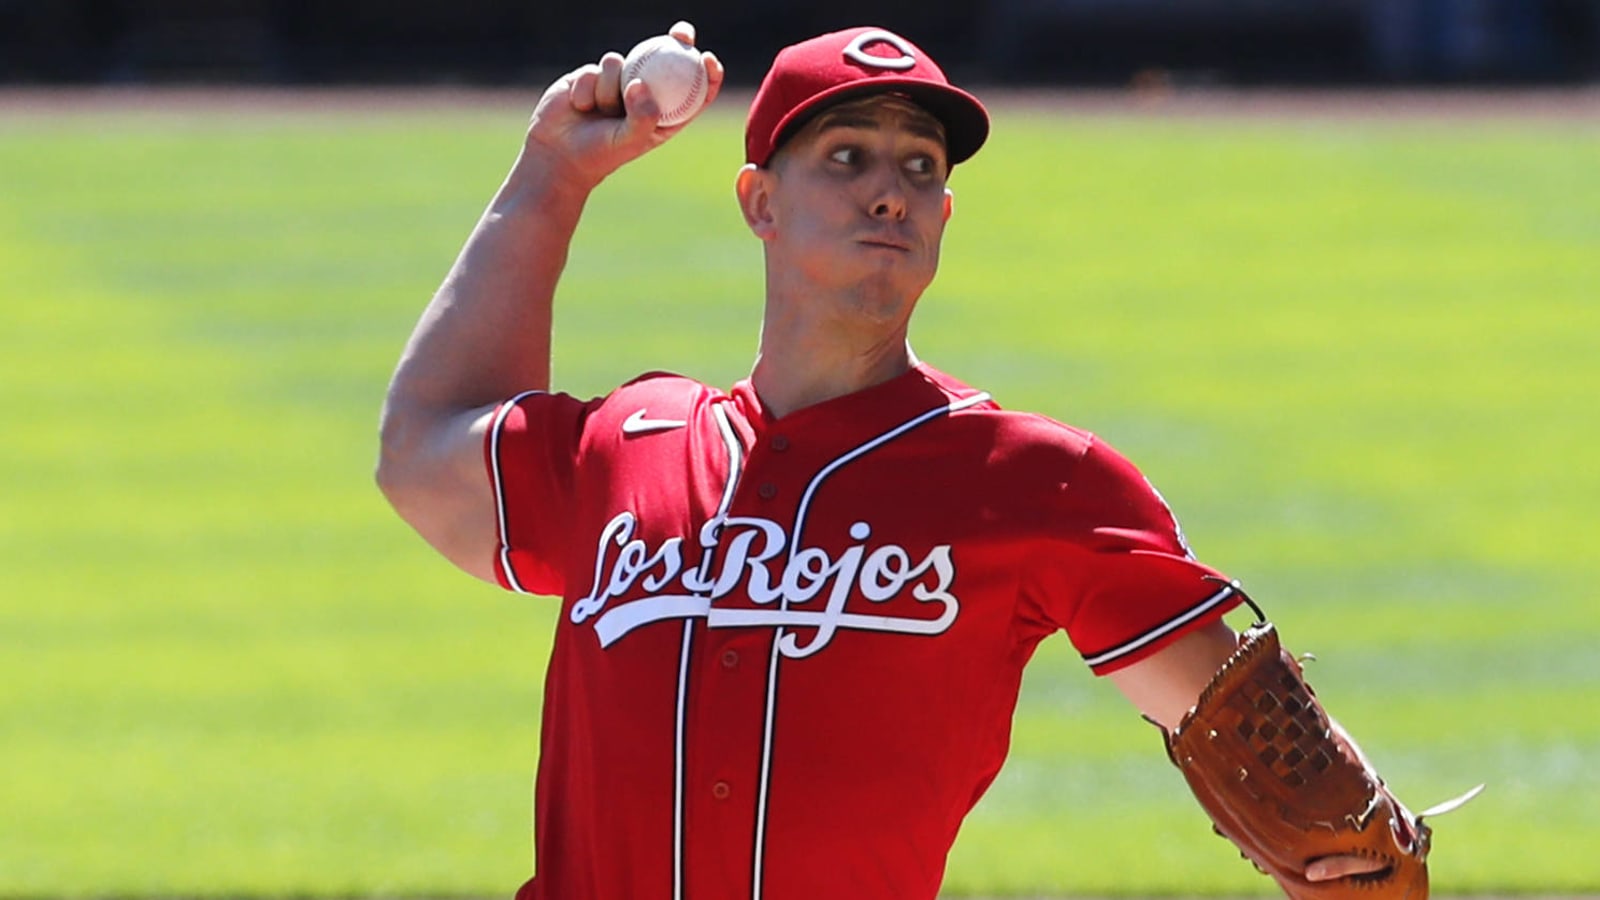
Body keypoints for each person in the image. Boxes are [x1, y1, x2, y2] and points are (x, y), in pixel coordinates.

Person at [376, 21, 1405, 900]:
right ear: (757, 202)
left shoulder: (1030, 480)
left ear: (944, 219)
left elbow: (1287, 783)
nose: (890, 192)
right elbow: (425, 449)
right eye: (845, 157)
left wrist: (1351, 856)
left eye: (920, 167)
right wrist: (554, 173)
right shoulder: (626, 447)